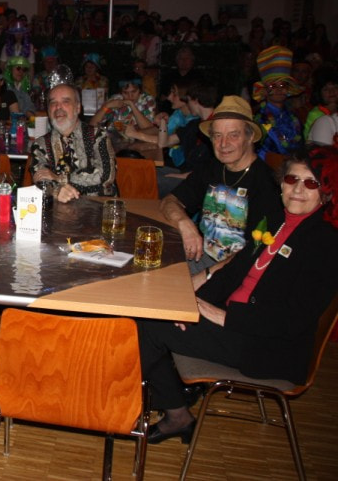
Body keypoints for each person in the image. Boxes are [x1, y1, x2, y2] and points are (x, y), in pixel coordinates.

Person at [138, 145, 338, 445]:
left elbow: (293, 319)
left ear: (327, 192)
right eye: (291, 179)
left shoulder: (326, 244)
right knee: (156, 308)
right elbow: (233, 272)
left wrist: (221, 316)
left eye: (311, 183)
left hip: (268, 345)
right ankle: (168, 404)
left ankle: (148, 407)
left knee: (150, 325)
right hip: (238, 322)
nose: (297, 189)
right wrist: (192, 303)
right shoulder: (276, 219)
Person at [160, 95, 282, 276]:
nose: (223, 144)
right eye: (217, 136)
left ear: (250, 137)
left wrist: (206, 276)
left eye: (233, 135)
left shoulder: (267, 184)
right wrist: (184, 222)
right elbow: (169, 201)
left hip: (236, 272)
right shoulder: (212, 168)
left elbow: (255, 253)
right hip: (200, 256)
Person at [29, 83, 116, 200]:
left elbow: (106, 175)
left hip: (99, 206)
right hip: (58, 207)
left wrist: (60, 178)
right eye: (53, 103)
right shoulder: (40, 144)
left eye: (65, 101)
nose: (58, 107)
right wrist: (57, 191)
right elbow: (41, 178)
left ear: (78, 108)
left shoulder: (97, 136)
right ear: (48, 110)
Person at [252, 46, 304, 160]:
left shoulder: (293, 117)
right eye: (273, 86)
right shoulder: (260, 118)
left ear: (288, 90)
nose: (279, 90)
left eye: (282, 85)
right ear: (265, 91)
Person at [89, 76, 156, 152]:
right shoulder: (116, 99)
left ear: (140, 90)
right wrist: (106, 106)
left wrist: (132, 105)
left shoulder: (147, 100)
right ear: (121, 92)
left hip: (137, 141)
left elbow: (148, 129)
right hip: (113, 140)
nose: (130, 96)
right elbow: (92, 125)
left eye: (134, 91)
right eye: (125, 93)